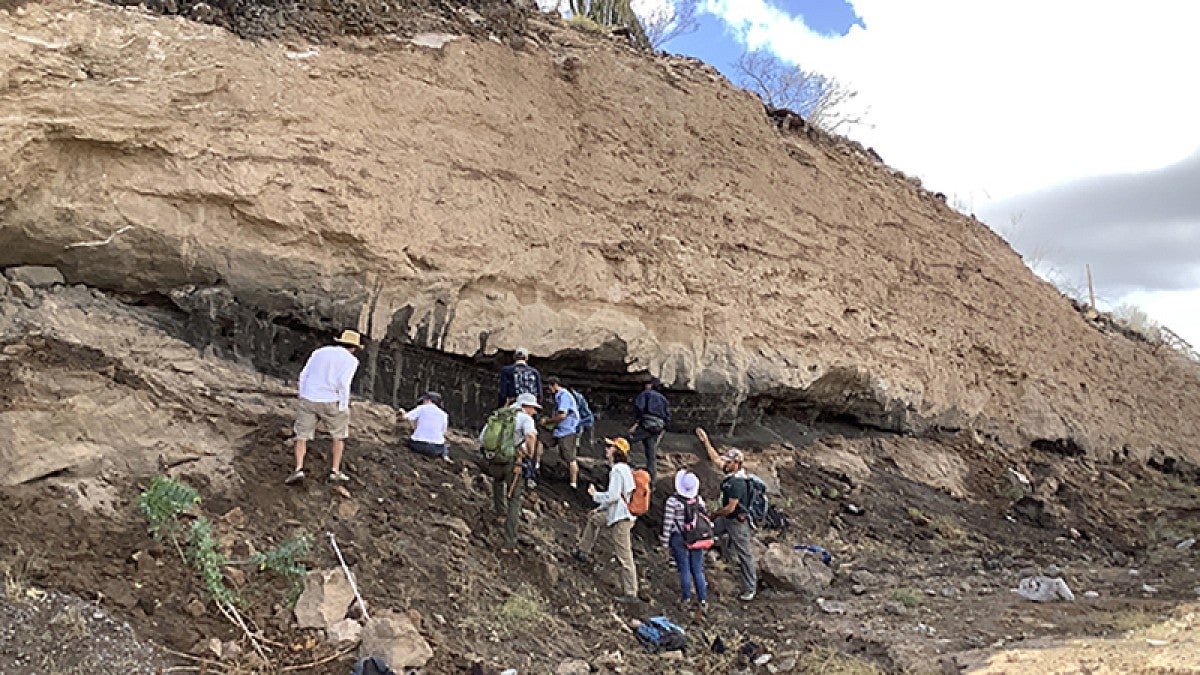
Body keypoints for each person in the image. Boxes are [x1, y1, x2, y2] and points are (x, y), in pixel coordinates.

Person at [286, 330, 363, 485]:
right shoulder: (351, 360)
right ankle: (334, 471)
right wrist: (343, 404)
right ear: (354, 347)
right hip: (331, 400)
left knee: (301, 435)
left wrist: (303, 394)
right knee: (338, 436)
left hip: (309, 397)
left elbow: (303, 374)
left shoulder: (319, 352)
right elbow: (343, 383)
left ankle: (298, 469)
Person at [572, 438, 639, 603]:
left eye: (610, 447)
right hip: (619, 513)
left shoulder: (617, 470)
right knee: (594, 519)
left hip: (621, 517)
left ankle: (631, 593)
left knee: (624, 555)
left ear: (617, 452)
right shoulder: (625, 469)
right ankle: (582, 551)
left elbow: (614, 496)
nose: (606, 449)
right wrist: (601, 508)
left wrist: (595, 495)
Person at [696, 427, 757, 601]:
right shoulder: (731, 474)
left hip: (736, 521)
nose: (726, 464)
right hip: (727, 518)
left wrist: (714, 514)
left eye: (729, 462)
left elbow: (730, 508)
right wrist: (706, 441)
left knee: (744, 553)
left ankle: (750, 588)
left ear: (737, 464)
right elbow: (715, 459)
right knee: (707, 532)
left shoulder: (737, 483)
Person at [487, 393, 540, 554]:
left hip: (494, 459)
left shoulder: (500, 414)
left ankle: (500, 514)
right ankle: (509, 543)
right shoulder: (525, 418)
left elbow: (484, 436)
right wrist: (530, 454)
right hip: (513, 462)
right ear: (526, 406)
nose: (534, 412)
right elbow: (531, 436)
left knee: (497, 482)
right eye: (533, 408)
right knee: (515, 500)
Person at [661, 469, 709, 612]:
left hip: (679, 537)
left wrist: (664, 542)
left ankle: (686, 599)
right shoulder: (699, 500)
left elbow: (668, 523)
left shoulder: (672, 502)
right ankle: (703, 600)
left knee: (684, 569)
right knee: (698, 570)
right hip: (696, 538)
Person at [628, 377, 670, 483]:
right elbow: (668, 416)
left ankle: (624, 462)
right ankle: (652, 480)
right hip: (658, 427)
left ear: (650, 385)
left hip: (647, 423)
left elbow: (639, 407)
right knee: (651, 453)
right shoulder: (664, 399)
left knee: (628, 440)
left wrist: (636, 423)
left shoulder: (646, 394)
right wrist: (663, 428)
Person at [543, 376, 581, 489]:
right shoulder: (560, 396)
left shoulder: (564, 396)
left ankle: (573, 483)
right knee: (543, 439)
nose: (549, 391)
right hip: (559, 429)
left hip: (567, 430)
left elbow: (562, 415)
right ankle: (536, 465)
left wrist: (548, 421)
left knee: (570, 457)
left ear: (554, 385)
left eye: (549, 387)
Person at [399, 392, 451, 463]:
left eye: (424, 400)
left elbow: (404, 417)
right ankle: (445, 456)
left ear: (429, 400)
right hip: (436, 448)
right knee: (444, 446)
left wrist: (402, 411)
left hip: (418, 445)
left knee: (407, 441)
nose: (423, 402)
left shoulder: (421, 408)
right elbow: (443, 431)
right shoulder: (444, 414)